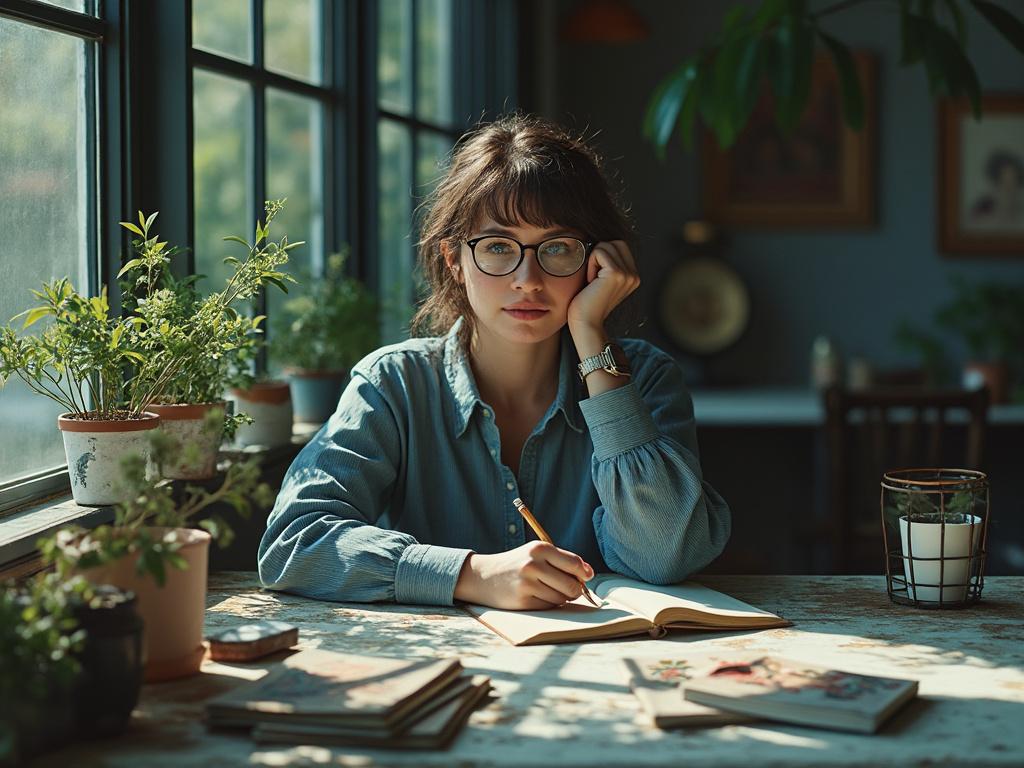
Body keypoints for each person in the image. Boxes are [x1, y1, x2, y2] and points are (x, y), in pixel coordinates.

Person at [258, 114, 731, 611]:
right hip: (439, 655)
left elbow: (665, 555)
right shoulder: (394, 385)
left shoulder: (645, 379)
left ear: (598, 263)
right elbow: (293, 543)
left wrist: (592, 337)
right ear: (453, 260)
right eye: (499, 247)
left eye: (558, 248)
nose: (528, 279)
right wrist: (471, 574)